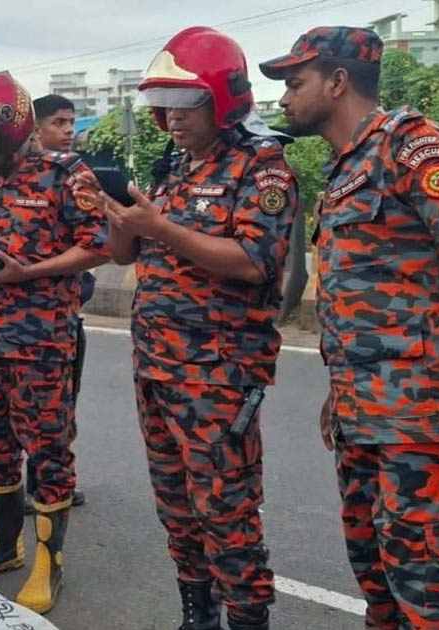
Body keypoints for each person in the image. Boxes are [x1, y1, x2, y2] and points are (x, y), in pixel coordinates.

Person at [261, 26, 439, 630]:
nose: (284, 99)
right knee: (380, 587)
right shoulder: (346, 168)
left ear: (338, 81)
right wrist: (338, 392)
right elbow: (368, 298)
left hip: (422, 417)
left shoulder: (412, 145)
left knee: (435, 597)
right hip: (362, 414)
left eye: (296, 83)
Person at [82, 27, 298, 630]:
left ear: (222, 99)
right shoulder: (170, 165)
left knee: (226, 508)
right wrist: (121, 216)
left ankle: (248, 617)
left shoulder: (264, 166)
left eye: (186, 104)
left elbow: (254, 261)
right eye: (165, 106)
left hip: (219, 375)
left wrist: (160, 227)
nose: (171, 119)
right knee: (176, 503)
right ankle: (196, 613)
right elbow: (124, 255)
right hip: (156, 366)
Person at [0, 71, 110, 614]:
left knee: (48, 452)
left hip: (42, 343)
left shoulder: (68, 173)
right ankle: (2, 545)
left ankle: (48, 560)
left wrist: (29, 273)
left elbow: (98, 247)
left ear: (12, 128)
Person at [28, 93, 89, 514]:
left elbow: (97, 245)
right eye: (59, 122)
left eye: (71, 122)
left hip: (65, 321)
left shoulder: (75, 177)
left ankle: (47, 484)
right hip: (19, 323)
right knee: (19, 412)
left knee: (60, 410)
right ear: (34, 129)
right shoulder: (9, 178)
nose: (69, 130)